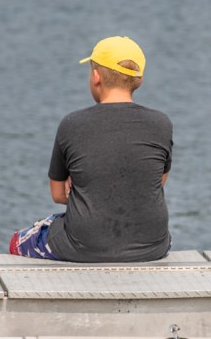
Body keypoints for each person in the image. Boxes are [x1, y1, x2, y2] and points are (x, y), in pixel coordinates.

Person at [10, 36, 173, 262]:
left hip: (84, 246)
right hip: (153, 246)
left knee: (18, 241)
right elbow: (153, 185)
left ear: (96, 76)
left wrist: (88, 189)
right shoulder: (161, 124)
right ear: (140, 80)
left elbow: (58, 194)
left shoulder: (72, 124)